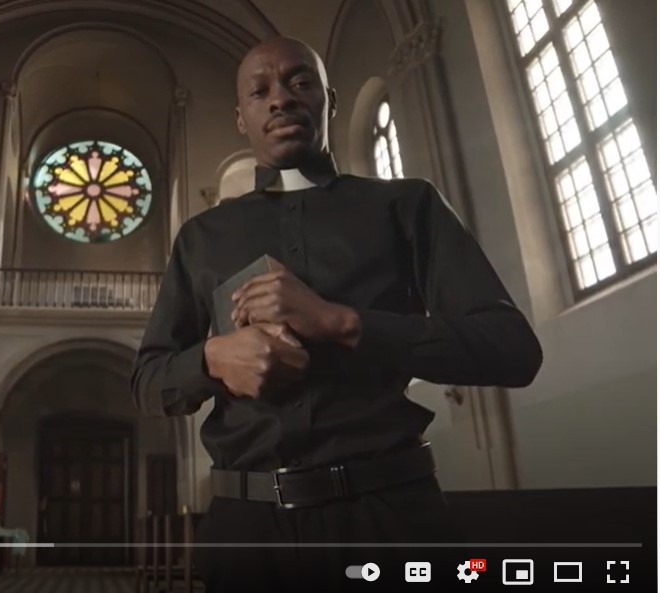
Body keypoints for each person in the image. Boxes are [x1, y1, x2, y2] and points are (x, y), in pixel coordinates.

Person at [130, 37, 543, 591]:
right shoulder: (202, 237)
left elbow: (511, 349)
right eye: (260, 91)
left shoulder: (406, 205)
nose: (280, 99)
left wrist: (340, 322)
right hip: (248, 531)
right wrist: (210, 357)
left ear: (330, 98)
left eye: (300, 82)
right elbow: (148, 381)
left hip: (390, 519)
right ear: (240, 119)